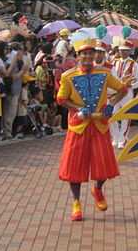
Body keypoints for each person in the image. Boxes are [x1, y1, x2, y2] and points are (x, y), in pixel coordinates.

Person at [56, 32, 133, 222]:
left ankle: (97, 189)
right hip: (79, 126)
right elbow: (61, 99)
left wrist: (110, 104)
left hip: (99, 124)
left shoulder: (105, 73)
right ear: (78, 56)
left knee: (104, 164)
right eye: (84, 54)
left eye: (91, 53)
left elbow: (122, 89)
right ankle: (76, 203)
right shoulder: (68, 76)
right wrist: (77, 109)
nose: (88, 57)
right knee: (74, 166)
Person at [109, 38, 138, 148]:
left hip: (127, 93)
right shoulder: (114, 62)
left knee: (125, 116)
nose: (123, 52)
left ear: (129, 51)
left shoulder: (134, 64)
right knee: (112, 115)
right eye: (121, 50)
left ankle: (123, 139)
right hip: (115, 92)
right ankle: (116, 137)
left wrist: (130, 85)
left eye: (125, 50)